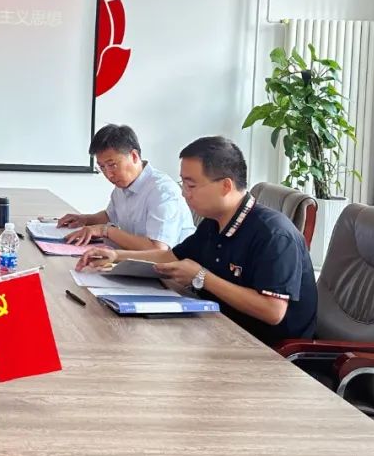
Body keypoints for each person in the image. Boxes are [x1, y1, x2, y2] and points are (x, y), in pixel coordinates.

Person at [77, 136, 317, 346]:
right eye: (183, 183)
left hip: (263, 350)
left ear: (225, 186)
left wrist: (202, 277)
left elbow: (273, 311)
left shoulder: (274, 234)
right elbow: (171, 256)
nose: (184, 193)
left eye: (191, 185)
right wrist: (116, 256)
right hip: (216, 327)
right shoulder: (214, 222)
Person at [59, 124, 195, 250]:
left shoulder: (162, 191)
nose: (108, 174)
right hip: (135, 260)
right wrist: (85, 219)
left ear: (134, 156)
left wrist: (105, 231)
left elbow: (157, 249)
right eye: (102, 167)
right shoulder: (122, 184)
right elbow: (110, 215)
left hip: (173, 266)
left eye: (112, 165)